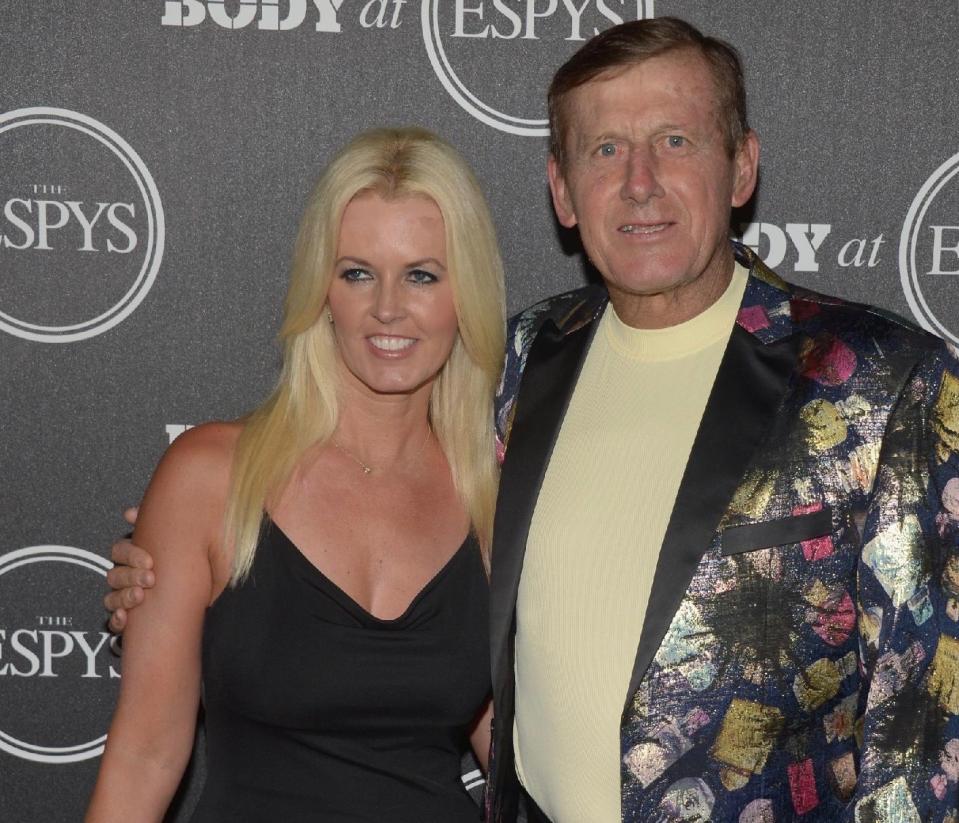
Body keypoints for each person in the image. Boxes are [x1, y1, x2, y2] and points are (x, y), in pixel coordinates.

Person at [107, 17, 959, 823]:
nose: (638, 182)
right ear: (561, 189)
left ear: (740, 167)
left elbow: (924, 726)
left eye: (674, 140)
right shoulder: (523, 366)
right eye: (604, 148)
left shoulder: (881, 381)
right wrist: (168, 577)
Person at [87, 126, 504, 822]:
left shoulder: (495, 497)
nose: (388, 308)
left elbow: (522, 763)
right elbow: (144, 760)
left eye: (423, 274)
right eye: (357, 272)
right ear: (321, 288)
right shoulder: (213, 477)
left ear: (466, 294)